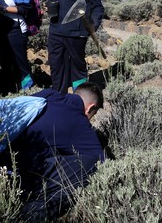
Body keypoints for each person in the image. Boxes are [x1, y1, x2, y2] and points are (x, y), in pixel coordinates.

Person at [9, 82, 105, 220]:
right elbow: (102, 161)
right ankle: (28, 216)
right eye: (92, 115)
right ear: (91, 107)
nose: (90, 121)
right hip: (14, 171)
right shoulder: (79, 121)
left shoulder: (48, 93)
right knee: (92, 166)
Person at [49, 0, 104, 94]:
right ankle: (58, 98)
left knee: (77, 67)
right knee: (56, 66)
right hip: (55, 31)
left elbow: (98, 7)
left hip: (76, 33)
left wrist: (91, 27)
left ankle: (79, 99)